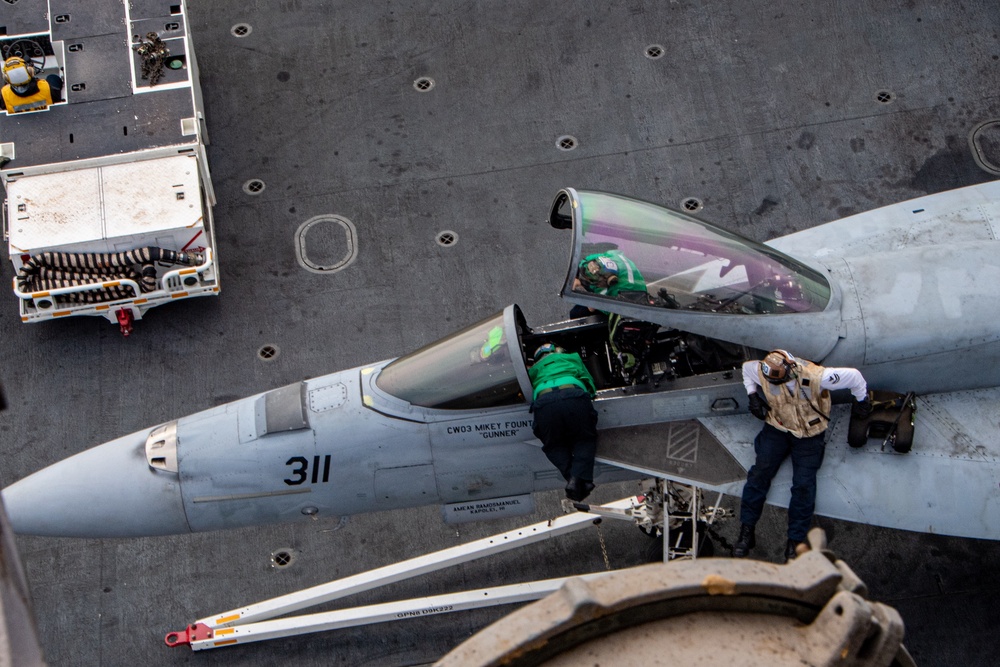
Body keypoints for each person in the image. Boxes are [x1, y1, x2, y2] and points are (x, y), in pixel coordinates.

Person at [733, 349, 871, 562]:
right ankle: (747, 530)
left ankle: (795, 541)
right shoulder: (761, 370)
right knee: (759, 474)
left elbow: (854, 376)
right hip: (777, 427)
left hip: (809, 434)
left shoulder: (817, 376)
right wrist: (753, 396)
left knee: (803, 486)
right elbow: (745, 370)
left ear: (791, 372)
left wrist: (861, 402)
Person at [528, 343, 599, 501]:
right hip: (573, 395)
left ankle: (575, 480)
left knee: (554, 445)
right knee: (584, 439)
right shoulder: (571, 358)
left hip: (544, 403)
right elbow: (590, 384)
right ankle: (579, 479)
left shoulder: (533, 371)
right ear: (558, 351)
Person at [570, 249, 648, 319]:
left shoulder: (614, 291)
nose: (586, 279)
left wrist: (592, 303)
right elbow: (584, 262)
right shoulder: (613, 256)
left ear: (602, 284)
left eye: (590, 280)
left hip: (630, 300)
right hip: (629, 281)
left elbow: (602, 308)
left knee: (575, 313)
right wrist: (576, 277)